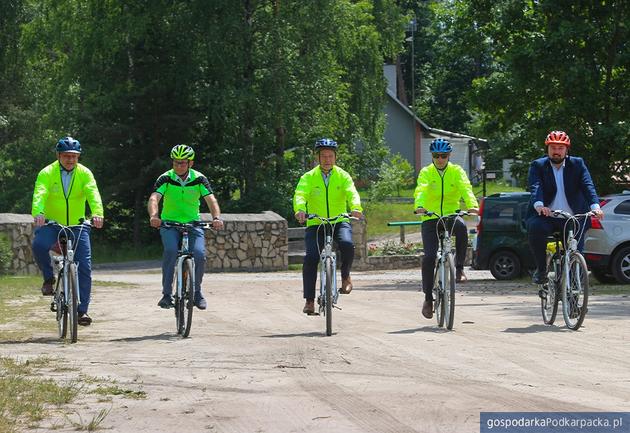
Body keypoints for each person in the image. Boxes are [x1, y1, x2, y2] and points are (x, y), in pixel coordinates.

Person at [31, 137, 104, 326]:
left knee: (85, 267)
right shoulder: (47, 172)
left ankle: (82, 312)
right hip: (52, 224)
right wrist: (38, 212)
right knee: (38, 245)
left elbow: (93, 193)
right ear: (58, 156)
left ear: (78, 156)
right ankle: (49, 278)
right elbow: (40, 192)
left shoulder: (85, 173)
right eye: (66, 156)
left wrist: (97, 213)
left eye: (74, 156)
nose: (70, 160)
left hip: (78, 225)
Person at [148, 144, 224, 310]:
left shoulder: (199, 179)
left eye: (182, 163)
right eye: (176, 162)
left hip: (193, 224)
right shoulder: (166, 178)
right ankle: (167, 294)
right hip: (169, 224)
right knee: (170, 251)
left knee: (199, 254)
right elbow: (154, 198)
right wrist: (154, 216)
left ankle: (196, 293)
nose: (178, 166)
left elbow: (211, 200)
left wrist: (216, 218)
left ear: (190, 163)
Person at [293, 138, 363, 315]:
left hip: (339, 221)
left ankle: (345, 276)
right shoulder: (308, 177)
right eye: (323, 156)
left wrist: (355, 208)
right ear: (317, 157)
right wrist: (300, 210)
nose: (327, 159)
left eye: (330, 156)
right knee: (311, 258)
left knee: (347, 244)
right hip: (316, 223)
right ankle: (309, 301)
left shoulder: (343, 176)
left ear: (335, 157)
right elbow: (300, 194)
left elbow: (352, 193)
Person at [527, 130, 603, 285]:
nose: (556, 151)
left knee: (576, 253)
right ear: (547, 149)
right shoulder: (538, 166)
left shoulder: (577, 164)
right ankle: (541, 269)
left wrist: (596, 207)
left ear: (566, 149)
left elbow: (588, 186)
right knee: (536, 228)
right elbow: (536, 186)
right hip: (547, 216)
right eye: (553, 147)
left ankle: (574, 295)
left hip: (573, 217)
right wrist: (540, 205)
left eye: (560, 148)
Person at [414, 138, 478, 319]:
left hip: (451, 215)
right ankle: (428, 298)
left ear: (449, 156)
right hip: (431, 217)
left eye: (443, 156)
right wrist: (420, 205)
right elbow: (421, 189)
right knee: (429, 256)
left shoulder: (456, 171)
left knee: (462, 227)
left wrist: (472, 205)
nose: (440, 159)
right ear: (432, 156)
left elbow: (466, 188)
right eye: (436, 156)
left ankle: (458, 269)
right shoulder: (426, 172)